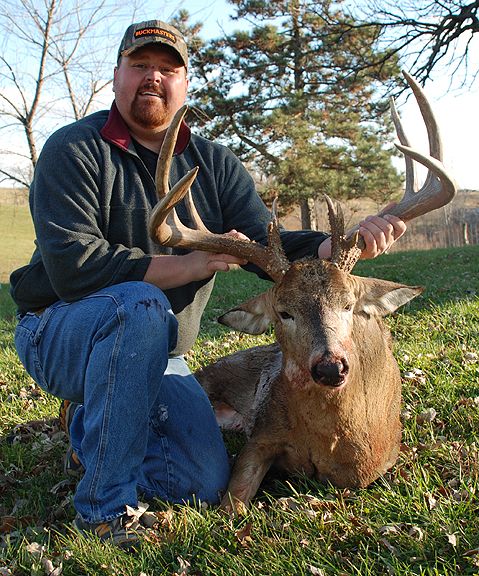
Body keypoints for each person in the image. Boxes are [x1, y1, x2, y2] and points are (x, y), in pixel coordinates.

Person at [9, 20, 406, 548]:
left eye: (167, 69)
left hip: (160, 353)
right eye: (140, 66)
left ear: (185, 83)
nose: (154, 77)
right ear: (116, 77)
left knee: (198, 482)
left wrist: (335, 249)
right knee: (142, 306)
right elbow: (73, 267)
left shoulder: (213, 162)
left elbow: (273, 251)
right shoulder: (73, 149)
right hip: (58, 331)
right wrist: (189, 265)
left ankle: (93, 426)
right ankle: (105, 510)